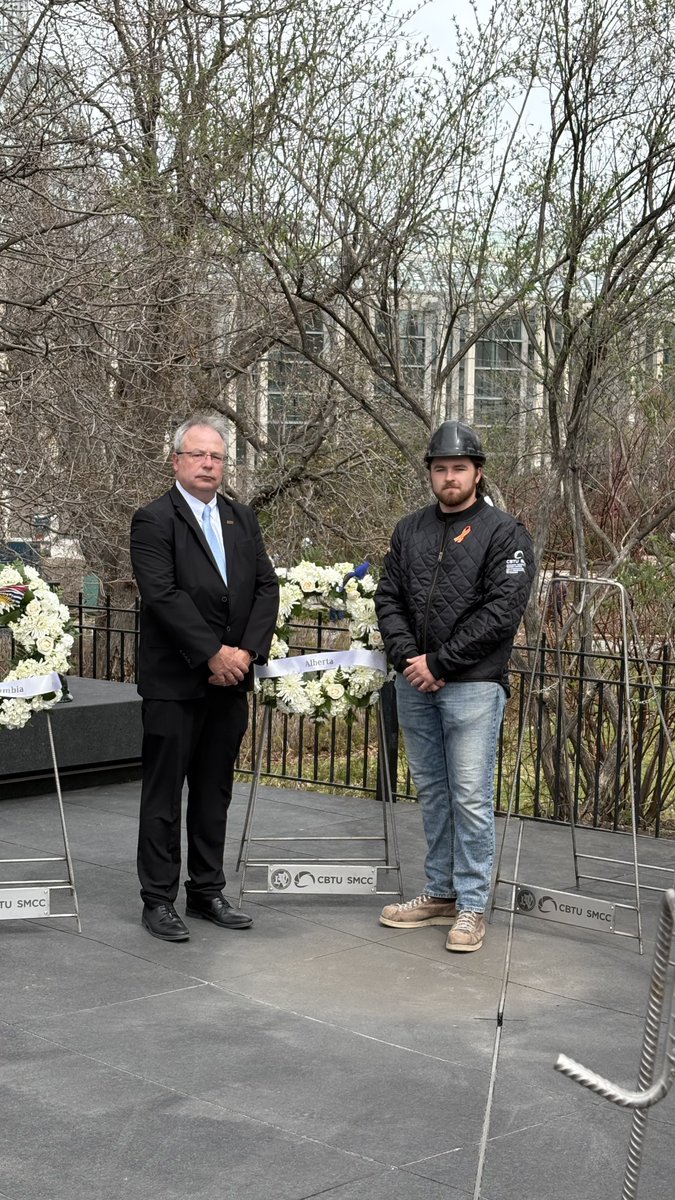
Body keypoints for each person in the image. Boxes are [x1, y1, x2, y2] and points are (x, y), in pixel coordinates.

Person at [375, 420, 534, 952]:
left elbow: (501, 613)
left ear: (477, 473)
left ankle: (471, 905)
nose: (449, 477)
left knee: (470, 796)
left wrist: (440, 662)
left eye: (459, 468)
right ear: (430, 473)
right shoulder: (409, 530)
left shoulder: (504, 533)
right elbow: (388, 598)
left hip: (472, 685)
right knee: (434, 793)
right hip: (414, 684)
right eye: (440, 468)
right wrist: (408, 659)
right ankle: (441, 893)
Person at [130, 414, 279, 941]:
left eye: (216, 456)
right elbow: (163, 595)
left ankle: (206, 891)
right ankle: (158, 899)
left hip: (230, 682)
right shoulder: (153, 520)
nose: (208, 464)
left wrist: (245, 653)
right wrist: (212, 654)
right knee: (164, 795)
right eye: (197, 455)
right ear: (176, 461)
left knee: (214, 792)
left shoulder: (242, 518)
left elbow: (265, 587)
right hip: (175, 681)